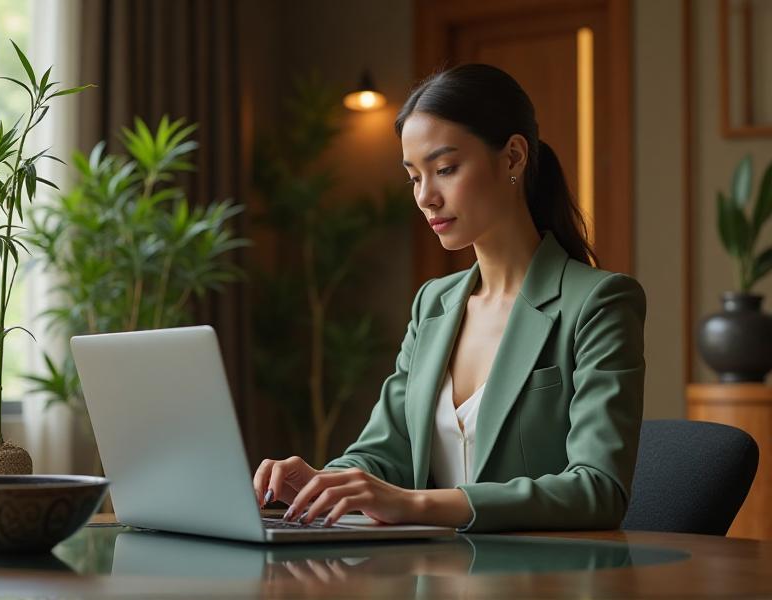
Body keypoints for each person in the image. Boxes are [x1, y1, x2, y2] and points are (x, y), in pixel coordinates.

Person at [253, 63, 646, 533]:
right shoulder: (433, 303)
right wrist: (325, 482)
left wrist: (417, 505)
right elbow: (387, 451)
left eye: (445, 169)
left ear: (514, 158)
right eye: (414, 177)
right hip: (429, 575)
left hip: (542, 578)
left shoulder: (598, 302)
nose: (426, 198)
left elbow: (598, 489)